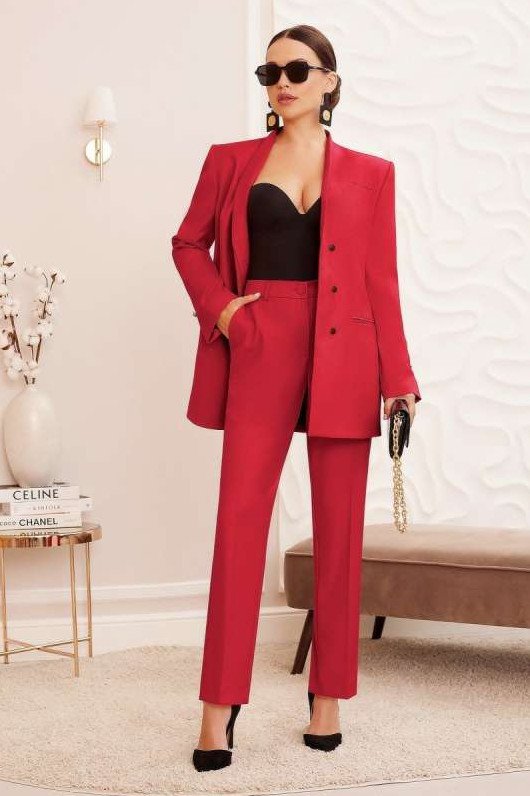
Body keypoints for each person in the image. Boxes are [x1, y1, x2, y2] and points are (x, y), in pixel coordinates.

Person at [171, 24, 421, 772]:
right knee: (239, 523)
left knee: (340, 533)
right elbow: (187, 244)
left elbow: (382, 280)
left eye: (297, 70)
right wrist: (224, 311)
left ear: (329, 81)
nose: (281, 82)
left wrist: (400, 380)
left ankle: (328, 697)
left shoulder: (371, 174)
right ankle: (218, 707)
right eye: (269, 71)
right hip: (260, 342)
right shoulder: (230, 161)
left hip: (347, 351)